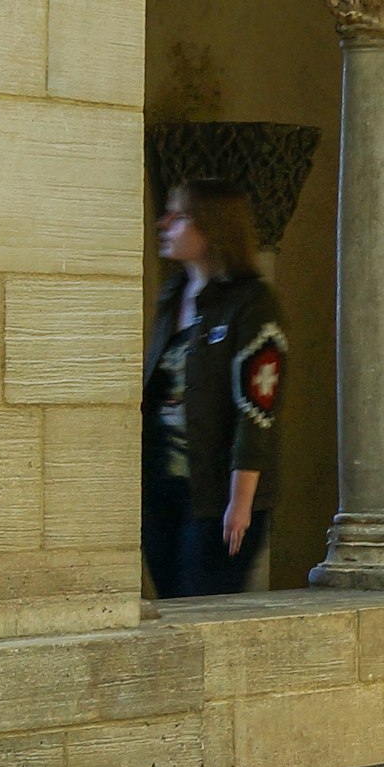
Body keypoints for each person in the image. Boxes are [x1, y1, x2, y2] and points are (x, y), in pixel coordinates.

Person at [144, 180, 285, 598]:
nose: (164, 223)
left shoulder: (252, 303)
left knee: (204, 609)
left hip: (216, 498)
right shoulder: (173, 295)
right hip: (162, 490)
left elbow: (257, 409)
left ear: (212, 228)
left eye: (180, 215)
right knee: (169, 609)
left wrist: (240, 503)